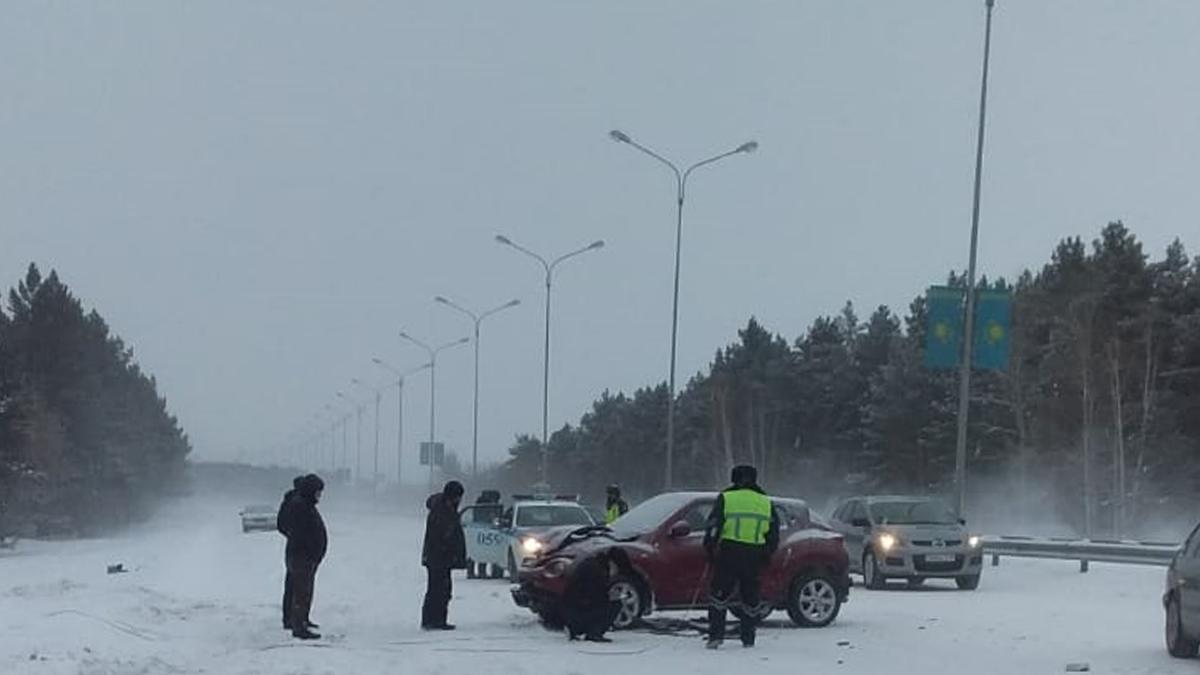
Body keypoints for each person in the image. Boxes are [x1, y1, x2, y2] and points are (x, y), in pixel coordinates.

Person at [703, 465, 779, 649]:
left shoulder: (726, 498)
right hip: (754, 553)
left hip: (729, 551)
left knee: (719, 595)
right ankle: (748, 638)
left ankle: (716, 636)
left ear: (733, 478)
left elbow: (714, 526)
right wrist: (767, 553)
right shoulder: (765, 502)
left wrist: (710, 549)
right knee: (750, 597)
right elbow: (773, 534)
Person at [286, 474, 327, 640]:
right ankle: (298, 626)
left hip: (306, 557)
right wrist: (310, 549)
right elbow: (301, 533)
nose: (319, 496)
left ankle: (302, 620)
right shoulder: (301, 507)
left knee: (304, 591)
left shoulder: (306, 505)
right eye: (318, 492)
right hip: (302, 557)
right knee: (301, 592)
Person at [422, 480, 467, 630]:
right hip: (439, 558)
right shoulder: (442, 512)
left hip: (439, 557)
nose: (460, 500)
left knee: (439, 589)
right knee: (439, 590)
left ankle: (433, 620)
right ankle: (435, 621)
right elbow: (443, 536)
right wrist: (450, 551)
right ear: (452, 496)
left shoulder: (445, 509)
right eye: (458, 496)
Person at [561, 548, 627, 642]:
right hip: (579, 609)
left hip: (572, 607)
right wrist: (610, 596)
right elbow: (593, 595)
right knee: (615, 605)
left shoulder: (593, 564)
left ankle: (575, 628)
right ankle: (593, 632)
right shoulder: (597, 570)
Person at [277, 475, 305, 631]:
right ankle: (289, 619)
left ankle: (301, 617)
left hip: (300, 550)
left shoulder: (302, 503)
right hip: (296, 550)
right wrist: (293, 534)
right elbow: (281, 524)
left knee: (301, 587)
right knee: (293, 585)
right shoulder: (292, 503)